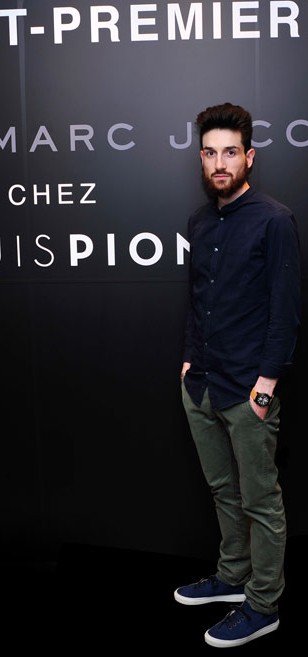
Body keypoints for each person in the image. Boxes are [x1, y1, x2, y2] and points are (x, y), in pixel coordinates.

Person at [174, 102, 301, 648]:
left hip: (248, 391)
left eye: (230, 152)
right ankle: (231, 577)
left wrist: (265, 386)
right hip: (201, 383)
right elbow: (198, 299)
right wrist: (188, 359)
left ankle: (263, 604)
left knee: (260, 502)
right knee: (222, 490)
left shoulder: (275, 220)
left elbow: (285, 313)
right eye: (210, 153)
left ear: (249, 157)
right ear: (201, 159)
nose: (219, 163)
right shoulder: (199, 221)